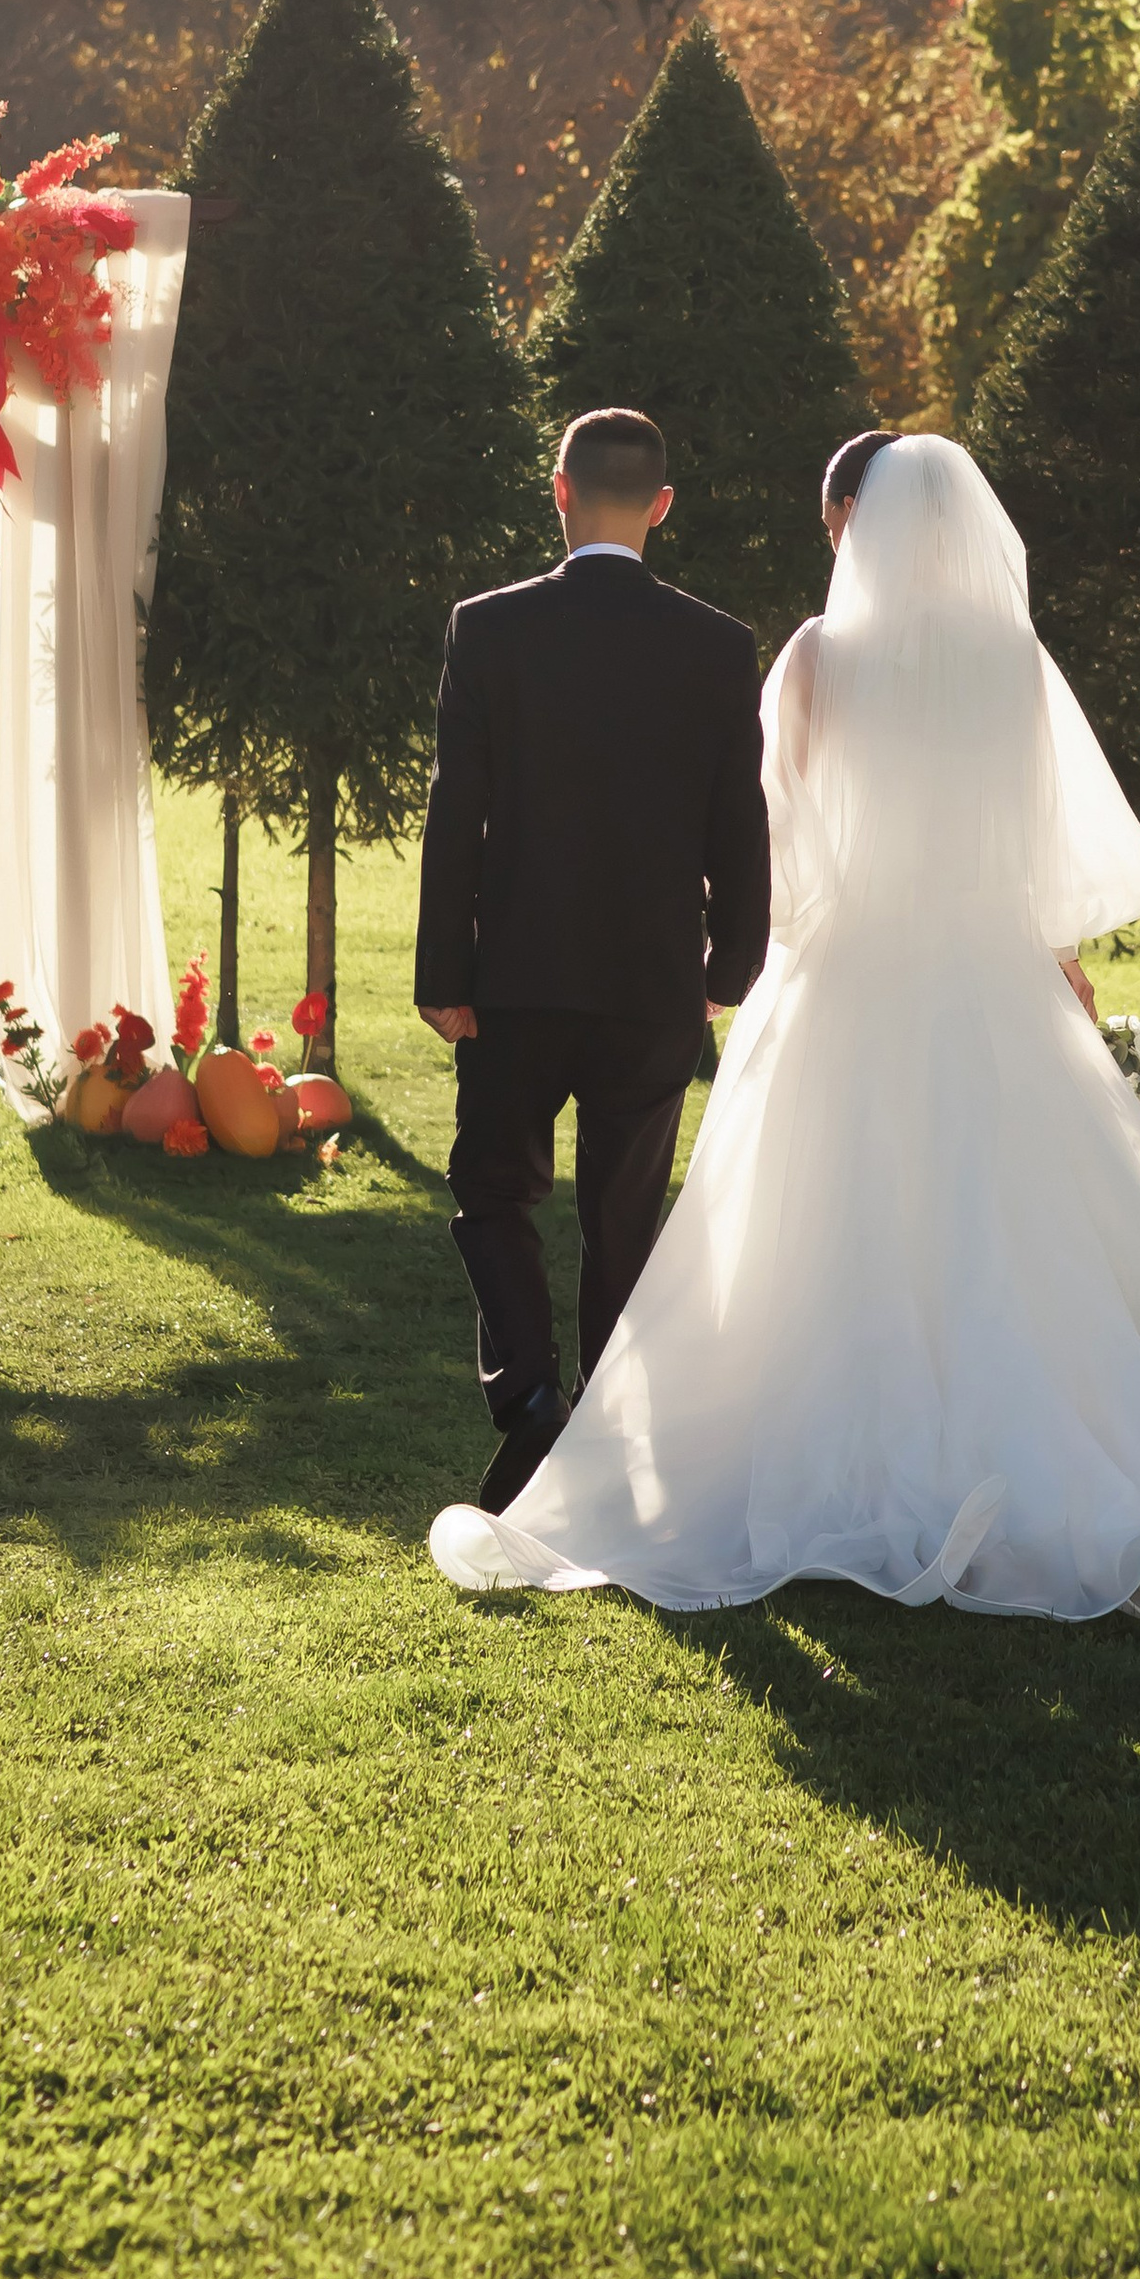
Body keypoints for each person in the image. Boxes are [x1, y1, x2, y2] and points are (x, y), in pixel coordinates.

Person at [430, 430, 1140, 1626]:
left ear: (853, 523)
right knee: (1008, 1226)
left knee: (815, 1224)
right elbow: (1038, 834)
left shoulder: (817, 658)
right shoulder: (1014, 663)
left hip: (849, 977)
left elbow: (775, 837)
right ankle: (1033, 1440)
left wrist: (762, 946)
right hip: (988, 981)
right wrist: (1052, 957)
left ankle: (769, 1447)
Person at [414, 405, 772, 1517]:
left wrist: (443, 976)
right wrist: (730, 969)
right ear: (662, 506)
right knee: (625, 1219)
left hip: (514, 980)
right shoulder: (720, 647)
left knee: (491, 1190)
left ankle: (531, 1400)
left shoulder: (488, 629)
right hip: (654, 982)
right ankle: (606, 1437)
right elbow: (740, 825)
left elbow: (455, 814)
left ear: (558, 490)